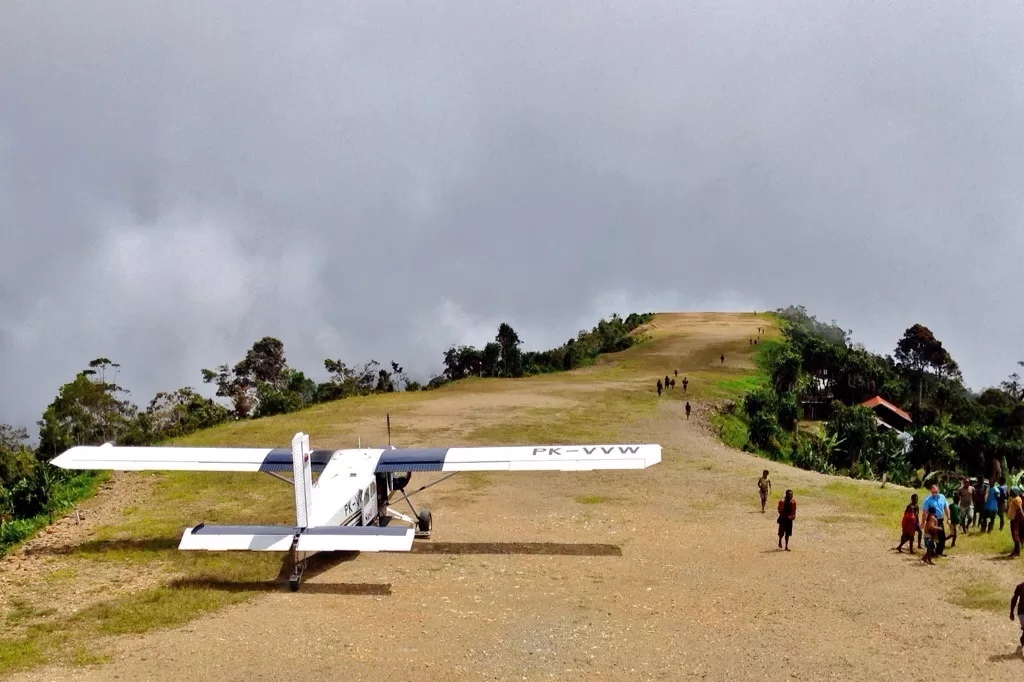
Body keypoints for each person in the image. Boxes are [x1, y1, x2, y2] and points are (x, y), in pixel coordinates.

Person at [921, 485, 949, 556]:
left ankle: (939, 552)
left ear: (938, 491)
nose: (934, 494)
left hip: (940, 520)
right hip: (931, 521)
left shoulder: (942, 497)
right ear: (931, 491)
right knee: (932, 537)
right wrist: (923, 522)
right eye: (933, 492)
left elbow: (946, 507)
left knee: (942, 537)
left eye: (936, 492)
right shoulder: (928, 500)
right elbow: (925, 512)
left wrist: (948, 518)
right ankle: (931, 552)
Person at [1008, 487, 1023, 558]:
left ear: (1014, 492)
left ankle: (1018, 552)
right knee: (1015, 535)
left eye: (1011, 491)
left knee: (1015, 535)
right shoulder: (1014, 499)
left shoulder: (1017, 499)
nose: (1010, 492)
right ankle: (1015, 551)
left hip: (1016, 519)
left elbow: (1020, 509)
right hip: (1013, 519)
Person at [1010, 581, 1024, 652]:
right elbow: (1014, 599)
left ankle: (1023, 638)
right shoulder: (1020, 587)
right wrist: (1011, 612)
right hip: (1022, 612)